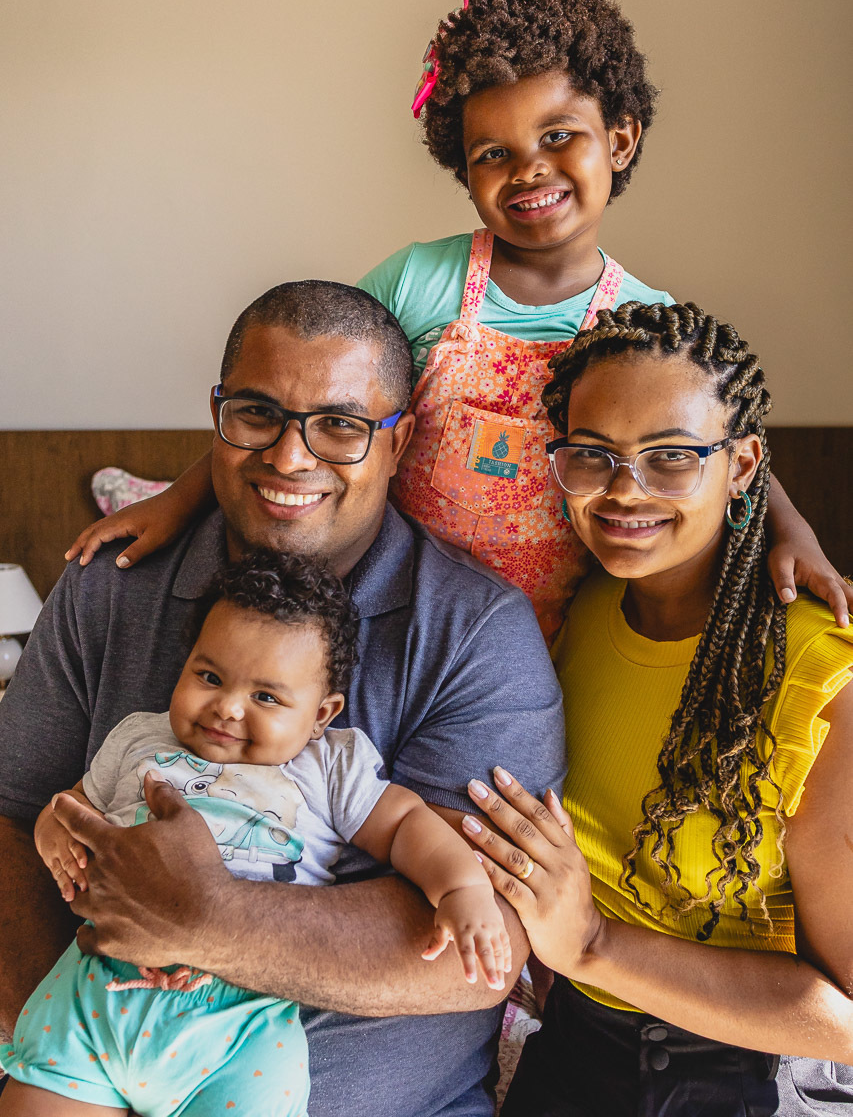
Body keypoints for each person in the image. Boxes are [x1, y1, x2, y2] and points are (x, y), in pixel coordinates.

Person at [63, 0, 853, 642]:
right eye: (492, 154)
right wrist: (176, 503)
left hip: (550, 629)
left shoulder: (640, 322)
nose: (529, 169)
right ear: (461, 169)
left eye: (558, 136)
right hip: (379, 603)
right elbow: (296, 404)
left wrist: (798, 533)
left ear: (619, 140)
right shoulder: (418, 282)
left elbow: (728, 447)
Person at [0, 280, 567, 1117]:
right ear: (217, 418)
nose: (290, 458)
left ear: (396, 440)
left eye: (339, 425)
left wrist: (204, 918)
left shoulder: (476, 633)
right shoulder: (110, 589)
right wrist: (52, 1044)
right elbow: (14, 816)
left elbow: (476, 953)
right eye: (257, 415)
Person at [458, 301, 853, 1115]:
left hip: (726, 1080)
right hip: (563, 1053)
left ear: (742, 467)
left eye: (670, 457)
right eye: (592, 455)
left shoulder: (822, 678)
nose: (622, 493)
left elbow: (846, 1020)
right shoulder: (574, 612)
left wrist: (592, 946)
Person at [3, 549, 510, 1116]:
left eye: (266, 696)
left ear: (321, 714)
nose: (227, 708)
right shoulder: (137, 739)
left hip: (240, 1031)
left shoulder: (326, 768)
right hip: (93, 995)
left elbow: (409, 826)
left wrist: (463, 891)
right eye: (209, 676)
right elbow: (72, 805)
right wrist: (53, 832)